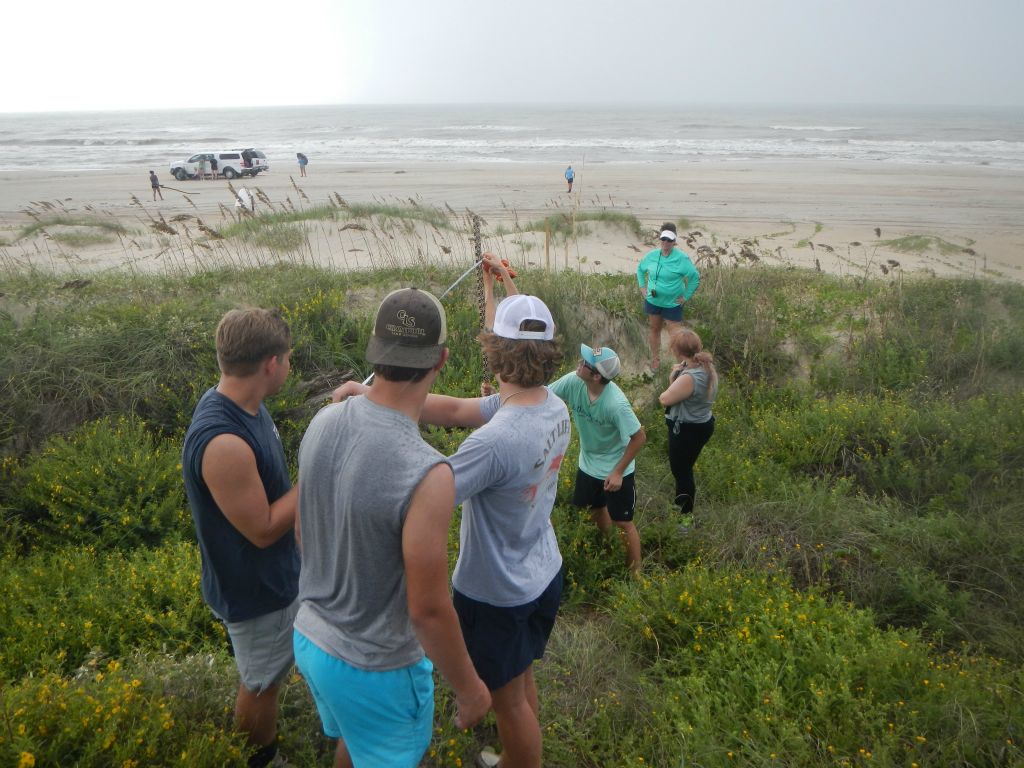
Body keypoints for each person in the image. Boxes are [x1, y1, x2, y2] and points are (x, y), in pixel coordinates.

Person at [333, 254, 570, 768]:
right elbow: (460, 408)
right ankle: (514, 755)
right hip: (540, 571)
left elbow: (429, 492)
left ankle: (520, 761)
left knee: (505, 698)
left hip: (497, 591)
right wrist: (375, 395)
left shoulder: (495, 442)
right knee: (521, 676)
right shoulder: (550, 405)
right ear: (549, 355)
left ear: (494, 353)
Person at [296, 288, 491, 768]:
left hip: (310, 637)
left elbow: (304, 530)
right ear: (441, 359)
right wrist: (469, 691)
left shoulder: (324, 420)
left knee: (353, 743)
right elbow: (427, 609)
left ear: (375, 350)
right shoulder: (427, 473)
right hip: (375, 669)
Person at [182, 308, 300, 768]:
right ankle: (260, 758)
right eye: (287, 358)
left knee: (266, 670)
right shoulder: (224, 442)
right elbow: (265, 528)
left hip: (269, 578)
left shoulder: (245, 402)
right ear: (271, 363)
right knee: (260, 682)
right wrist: (319, 474)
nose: (290, 366)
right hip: (255, 590)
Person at [549, 344, 646, 574]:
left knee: (622, 522)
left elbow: (639, 437)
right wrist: (501, 394)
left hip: (616, 467)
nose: (579, 363)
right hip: (588, 464)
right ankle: (607, 548)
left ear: (596, 376)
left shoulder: (616, 404)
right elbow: (541, 395)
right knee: (594, 510)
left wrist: (618, 472)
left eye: (585, 363)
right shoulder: (574, 381)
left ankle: (636, 574)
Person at [658, 328, 718, 522]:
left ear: (677, 351)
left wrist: (672, 378)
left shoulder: (689, 378)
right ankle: (681, 509)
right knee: (685, 469)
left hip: (686, 430)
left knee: (682, 473)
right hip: (702, 423)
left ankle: (684, 519)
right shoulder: (707, 367)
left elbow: (665, 399)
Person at [636, 226, 700, 372]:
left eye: (669, 240)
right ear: (660, 239)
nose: (665, 242)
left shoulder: (681, 259)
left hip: (672, 304)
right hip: (653, 301)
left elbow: (695, 278)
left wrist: (686, 297)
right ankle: (655, 359)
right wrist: (642, 288)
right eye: (663, 239)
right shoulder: (651, 255)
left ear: (674, 242)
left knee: (677, 336)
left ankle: (682, 365)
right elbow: (640, 270)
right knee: (654, 328)